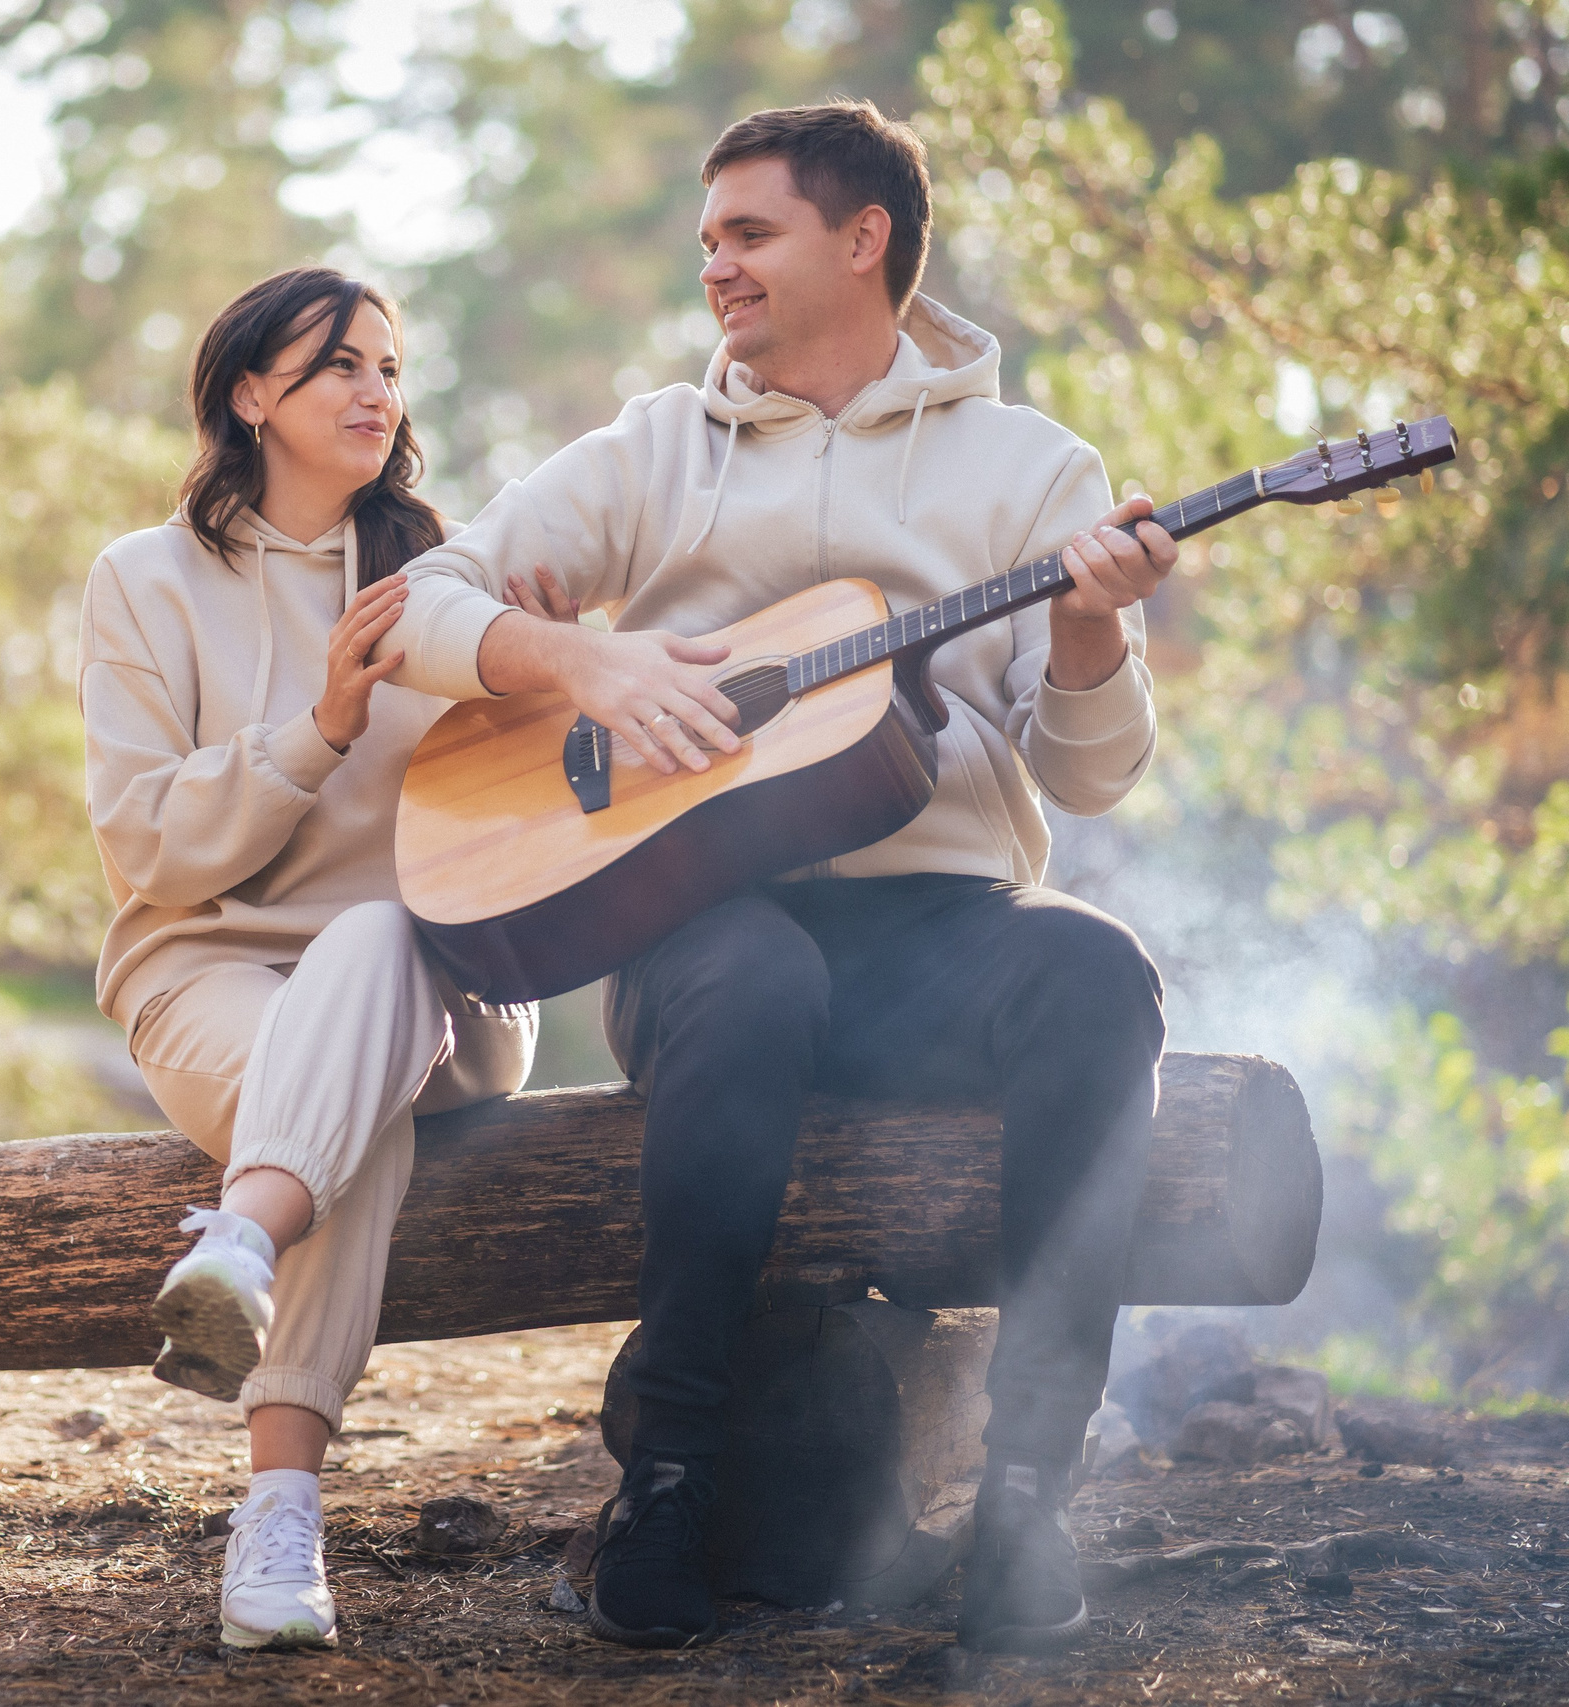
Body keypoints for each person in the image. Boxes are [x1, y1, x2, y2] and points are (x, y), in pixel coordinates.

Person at [374, 102, 1177, 1654]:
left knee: (1098, 970)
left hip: (942, 928)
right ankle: (664, 1475)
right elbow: (414, 607)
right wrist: (586, 661)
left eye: (750, 235)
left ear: (861, 239)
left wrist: (1090, 633)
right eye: (708, 243)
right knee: (754, 975)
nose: (717, 269)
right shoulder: (656, 448)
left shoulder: (1030, 469)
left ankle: (1025, 1489)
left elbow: (1086, 778)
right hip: (694, 927)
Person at [78, 268, 544, 1652]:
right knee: (348, 1109)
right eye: (338, 364)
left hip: (438, 982)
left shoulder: (444, 581)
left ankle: (241, 1241)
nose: (374, 393)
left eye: (390, 369)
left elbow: (527, 795)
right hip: (208, 967)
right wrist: (319, 730)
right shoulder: (145, 581)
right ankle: (279, 1513)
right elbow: (146, 844)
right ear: (249, 395)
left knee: (376, 940)